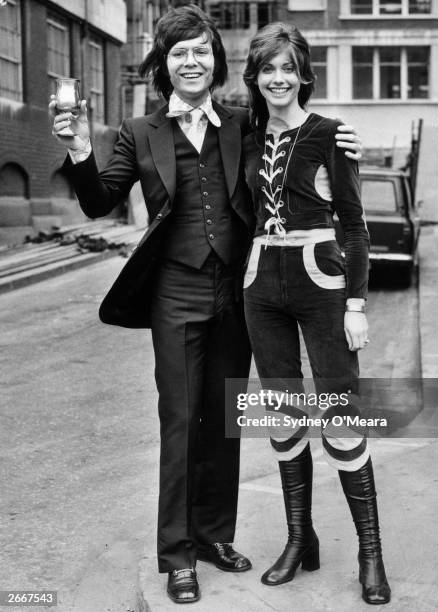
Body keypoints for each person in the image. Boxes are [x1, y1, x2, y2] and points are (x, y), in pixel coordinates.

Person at [49, 5, 362, 604]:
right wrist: (81, 148)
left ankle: (215, 535)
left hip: (237, 293)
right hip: (175, 293)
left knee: (223, 421)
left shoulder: (242, 122)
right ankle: (177, 555)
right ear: (163, 67)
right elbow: (98, 202)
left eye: (201, 51)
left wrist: (340, 137)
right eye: (179, 53)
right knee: (179, 420)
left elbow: (294, 131)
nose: (191, 62)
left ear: (216, 61)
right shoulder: (140, 133)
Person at [241, 23, 391, 605]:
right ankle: (299, 539)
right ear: (254, 78)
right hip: (260, 282)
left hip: (320, 279)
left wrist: (355, 302)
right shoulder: (248, 138)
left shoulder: (331, 134)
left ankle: (370, 553)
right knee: (281, 415)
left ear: (304, 73)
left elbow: (354, 226)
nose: (279, 79)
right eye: (268, 70)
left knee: (339, 416)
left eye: (289, 68)